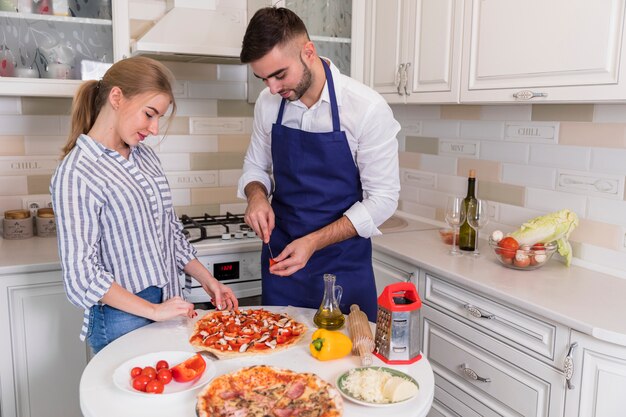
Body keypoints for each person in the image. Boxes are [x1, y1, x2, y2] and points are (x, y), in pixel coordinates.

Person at [51, 56, 238, 354]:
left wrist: (209, 281)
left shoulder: (145, 157)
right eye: (149, 114)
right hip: (121, 318)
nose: (154, 129)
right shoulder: (77, 172)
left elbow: (170, 233)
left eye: (158, 118)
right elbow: (81, 277)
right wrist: (153, 311)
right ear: (116, 97)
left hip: (169, 304)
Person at [238, 7, 400, 321]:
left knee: (345, 362)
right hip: (282, 261)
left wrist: (313, 241)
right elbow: (255, 166)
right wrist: (256, 197)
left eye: (279, 74)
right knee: (278, 362)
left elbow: (383, 200)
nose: (272, 88)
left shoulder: (366, 109)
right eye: (263, 78)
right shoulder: (268, 103)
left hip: (342, 265)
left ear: (308, 52)